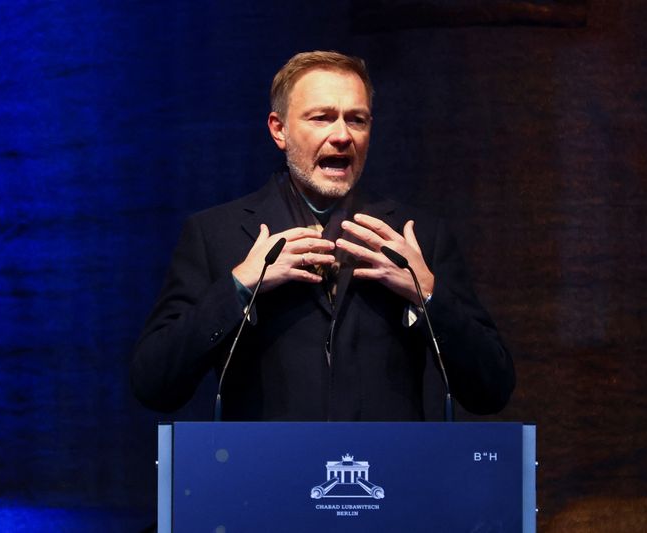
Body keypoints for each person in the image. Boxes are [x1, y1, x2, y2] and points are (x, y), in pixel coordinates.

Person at [130, 51, 514, 420]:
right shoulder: (216, 234)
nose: (343, 135)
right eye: (322, 118)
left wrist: (428, 294)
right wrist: (237, 288)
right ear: (279, 130)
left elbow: (491, 390)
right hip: (265, 477)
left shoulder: (417, 237)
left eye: (357, 120)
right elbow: (155, 385)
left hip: (385, 478)